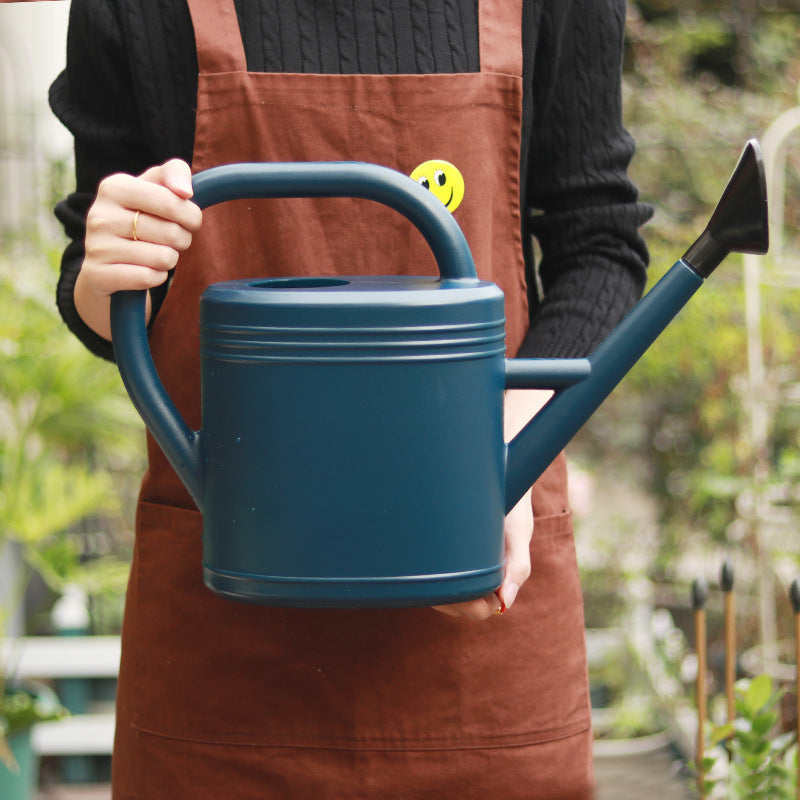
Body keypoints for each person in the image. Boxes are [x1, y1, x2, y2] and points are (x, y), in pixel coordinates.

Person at [50, 1, 651, 797]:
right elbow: (105, 290)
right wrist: (111, 266)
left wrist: (495, 458)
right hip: (225, 650)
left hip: (477, 642)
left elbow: (601, 244)